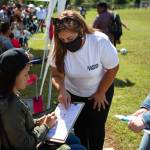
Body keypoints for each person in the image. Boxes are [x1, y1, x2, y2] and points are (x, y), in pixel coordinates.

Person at [51, 10, 119, 150]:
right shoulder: (58, 47)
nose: (66, 43)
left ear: (81, 30)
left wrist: (101, 92)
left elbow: (113, 68)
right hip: (74, 93)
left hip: (100, 89)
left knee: (96, 128)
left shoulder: (99, 41)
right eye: (62, 40)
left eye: (70, 39)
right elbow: (56, 75)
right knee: (80, 128)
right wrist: (62, 90)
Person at [0, 48, 87, 150]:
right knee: (77, 148)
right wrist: (45, 126)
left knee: (74, 140)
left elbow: (21, 123)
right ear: (12, 76)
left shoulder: (11, 95)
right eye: (25, 74)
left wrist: (38, 121)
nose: (28, 78)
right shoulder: (10, 107)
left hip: (34, 138)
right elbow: (23, 145)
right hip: (30, 145)